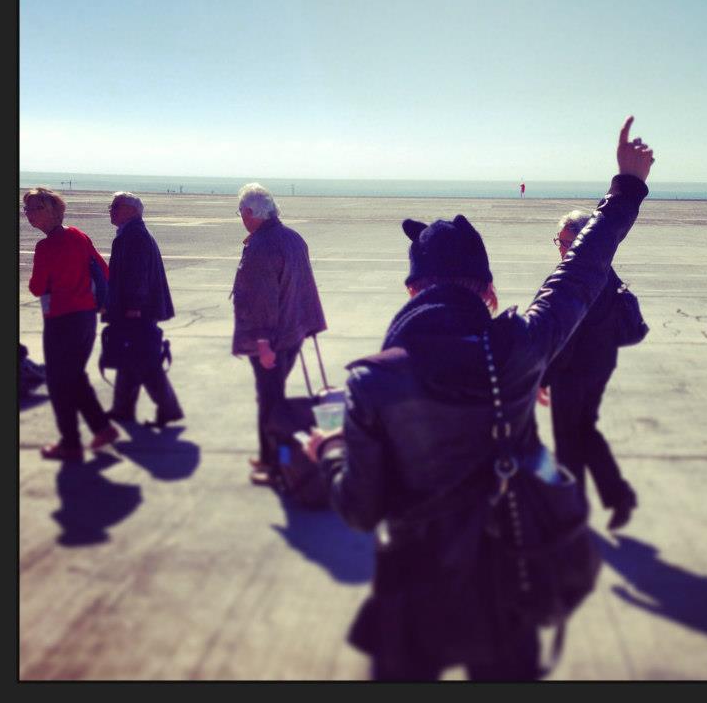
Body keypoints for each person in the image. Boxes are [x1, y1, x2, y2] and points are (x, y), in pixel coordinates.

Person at [307, 118, 654, 681]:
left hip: (412, 601)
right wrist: (627, 185)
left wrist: (329, 449)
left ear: (411, 290)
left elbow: (360, 510)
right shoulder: (518, 348)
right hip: (507, 587)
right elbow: (580, 273)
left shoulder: (372, 383)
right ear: (489, 293)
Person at [539, 209, 639, 532]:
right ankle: (618, 496)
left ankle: (573, 512)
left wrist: (542, 376)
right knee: (584, 432)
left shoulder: (578, 279)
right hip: (598, 365)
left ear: (584, 241)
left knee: (568, 440)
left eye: (568, 242)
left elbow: (565, 335)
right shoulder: (602, 268)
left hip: (574, 371)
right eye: (560, 242)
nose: (562, 249)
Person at [231, 183, 326, 486]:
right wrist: (307, 324)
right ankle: (270, 458)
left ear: (250, 212)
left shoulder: (261, 246)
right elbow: (303, 288)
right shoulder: (293, 238)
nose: (241, 218)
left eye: (240, 212)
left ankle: (277, 466)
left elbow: (261, 299)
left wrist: (262, 344)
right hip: (292, 333)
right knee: (271, 398)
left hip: (271, 340)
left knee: (272, 404)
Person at [23, 187, 120, 461]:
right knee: (74, 376)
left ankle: (71, 444)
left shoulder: (45, 247)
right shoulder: (78, 235)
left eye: (37, 208)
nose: (29, 214)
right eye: (27, 209)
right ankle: (102, 428)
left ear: (54, 210)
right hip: (85, 317)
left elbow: (36, 287)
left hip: (61, 320)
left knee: (58, 383)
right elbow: (104, 271)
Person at [103, 192, 184, 428]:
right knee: (129, 358)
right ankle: (123, 408)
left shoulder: (134, 235)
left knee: (145, 361)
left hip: (137, 310)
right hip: (134, 308)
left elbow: (137, 274)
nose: (111, 210)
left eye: (115, 206)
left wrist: (134, 306)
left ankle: (168, 409)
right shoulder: (131, 233)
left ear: (131, 210)